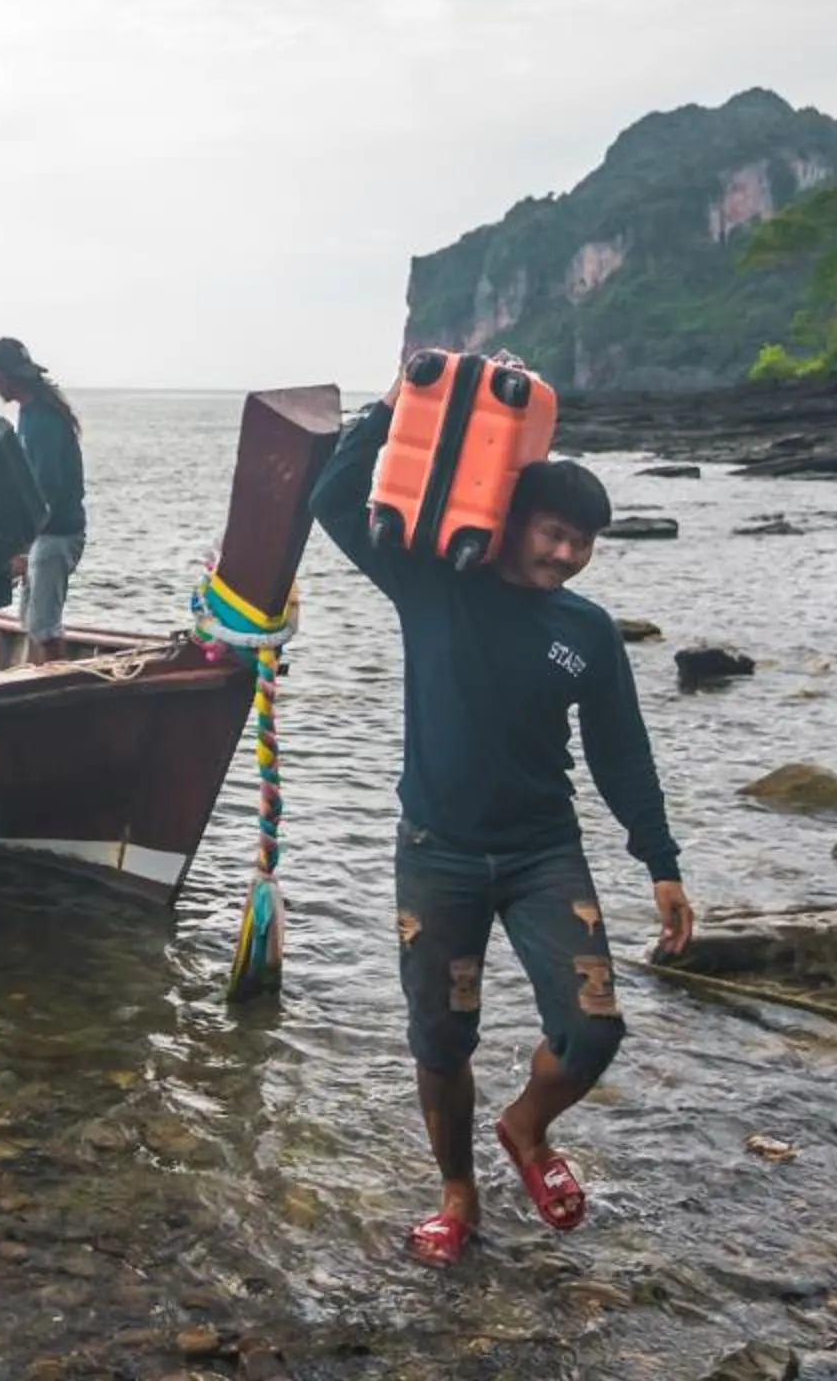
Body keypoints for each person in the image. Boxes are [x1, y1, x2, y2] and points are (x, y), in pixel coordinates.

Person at [309, 377, 694, 1269]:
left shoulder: (587, 632)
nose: (566, 554)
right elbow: (335, 497)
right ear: (515, 518)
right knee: (442, 1042)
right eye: (555, 533)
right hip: (434, 854)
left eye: (584, 543)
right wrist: (403, 401)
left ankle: (526, 1127)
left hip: (540, 854)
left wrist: (661, 864)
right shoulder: (433, 585)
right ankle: (457, 1196)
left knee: (594, 1027)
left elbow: (620, 753)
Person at [0, 338, 84, 663]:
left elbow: (46, 488)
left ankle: (58, 695)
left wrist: (21, 545)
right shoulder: (31, 413)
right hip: (44, 534)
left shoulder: (41, 420)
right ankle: (41, 679)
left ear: (2, 377)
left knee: (44, 628)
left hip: (55, 535)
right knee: (30, 620)